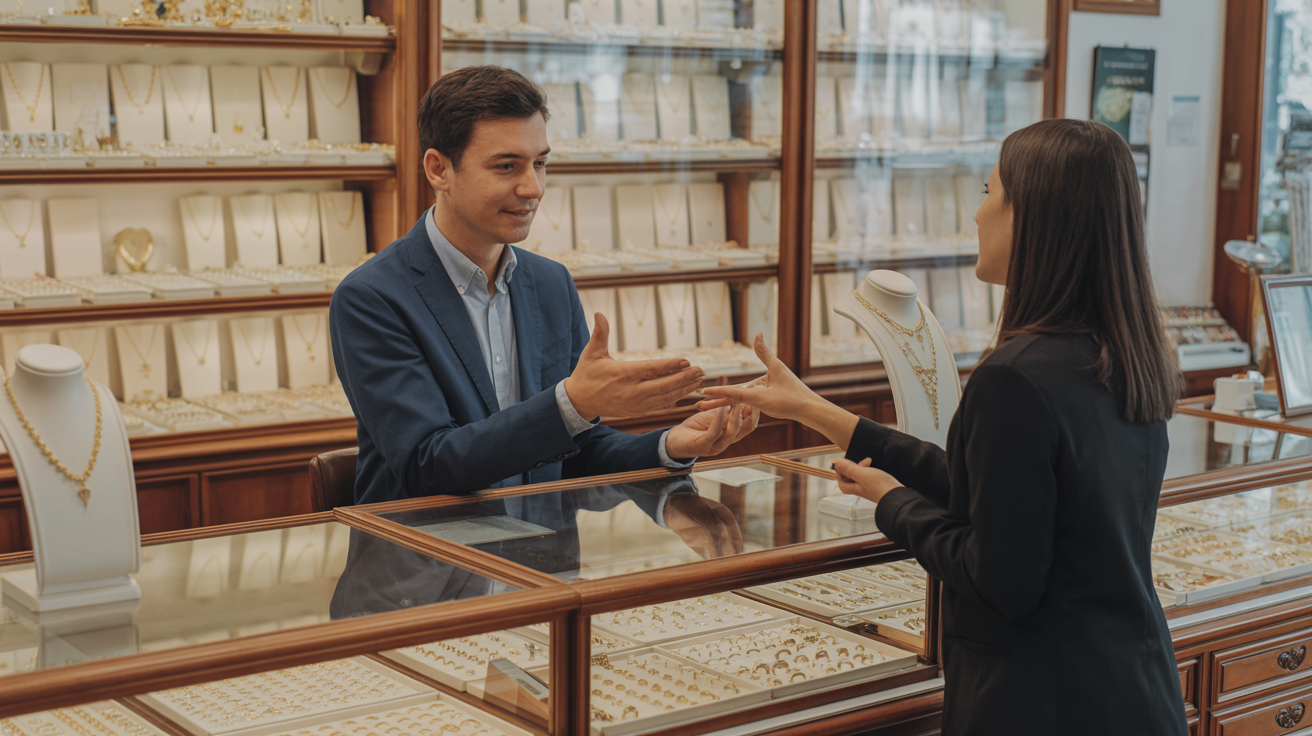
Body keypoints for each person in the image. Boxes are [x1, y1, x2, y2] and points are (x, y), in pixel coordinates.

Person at [699, 119, 1188, 734]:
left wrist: (891, 502)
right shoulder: (1124, 352)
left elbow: (999, 577)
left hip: (1043, 702)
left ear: (1030, 217)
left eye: (988, 192)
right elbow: (999, 496)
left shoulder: (1016, 377)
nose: (977, 214)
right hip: (1132, 689)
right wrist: (817, 412)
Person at [330, 65, 757, 540]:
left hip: (543, 575)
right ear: (438, 169)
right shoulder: (372, 298)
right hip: (427, 580)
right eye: (506, 166)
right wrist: (573, 403)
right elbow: (431, 464)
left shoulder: (550, 283)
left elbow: (575, 449)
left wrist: (670, 445)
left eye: (540, 163)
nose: (532, 188)